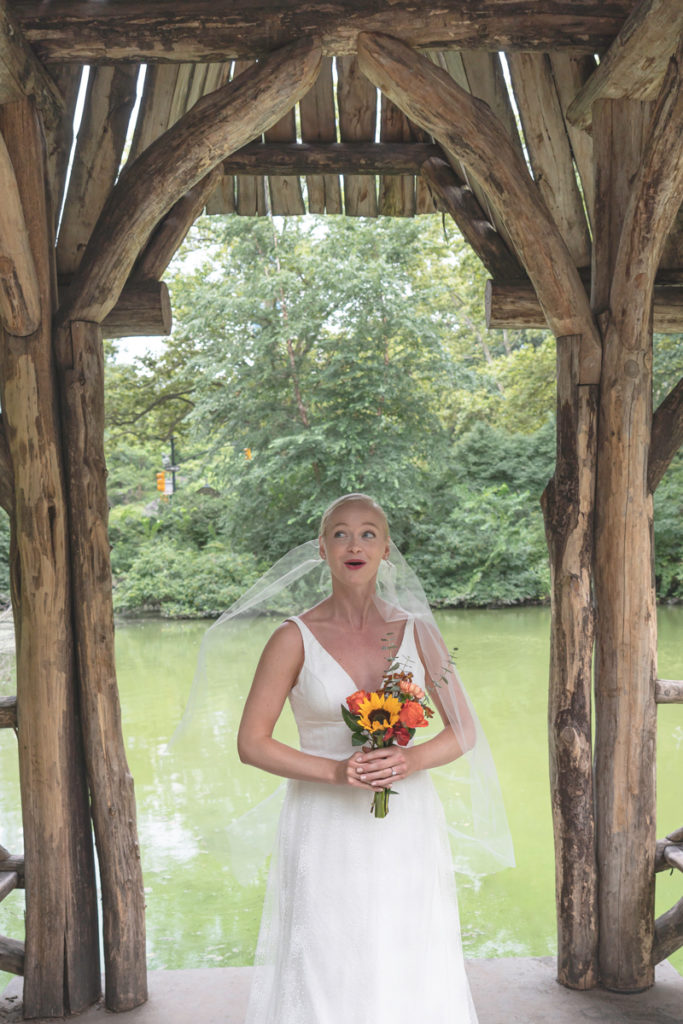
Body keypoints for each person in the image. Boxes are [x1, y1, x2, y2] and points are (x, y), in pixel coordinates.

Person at [236, 492, 498, 1024]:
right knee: (326, 949)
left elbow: (464, 729)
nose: (354, 543)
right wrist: (335, 770)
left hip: (405, 820)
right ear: (322, 549)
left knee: (407, 945)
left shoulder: (418, 631)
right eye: (339, 533)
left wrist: (412, 760)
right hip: (323, 820)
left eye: (368, 533)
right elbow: (252, 743)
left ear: (385, 551)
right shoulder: (292, 638)